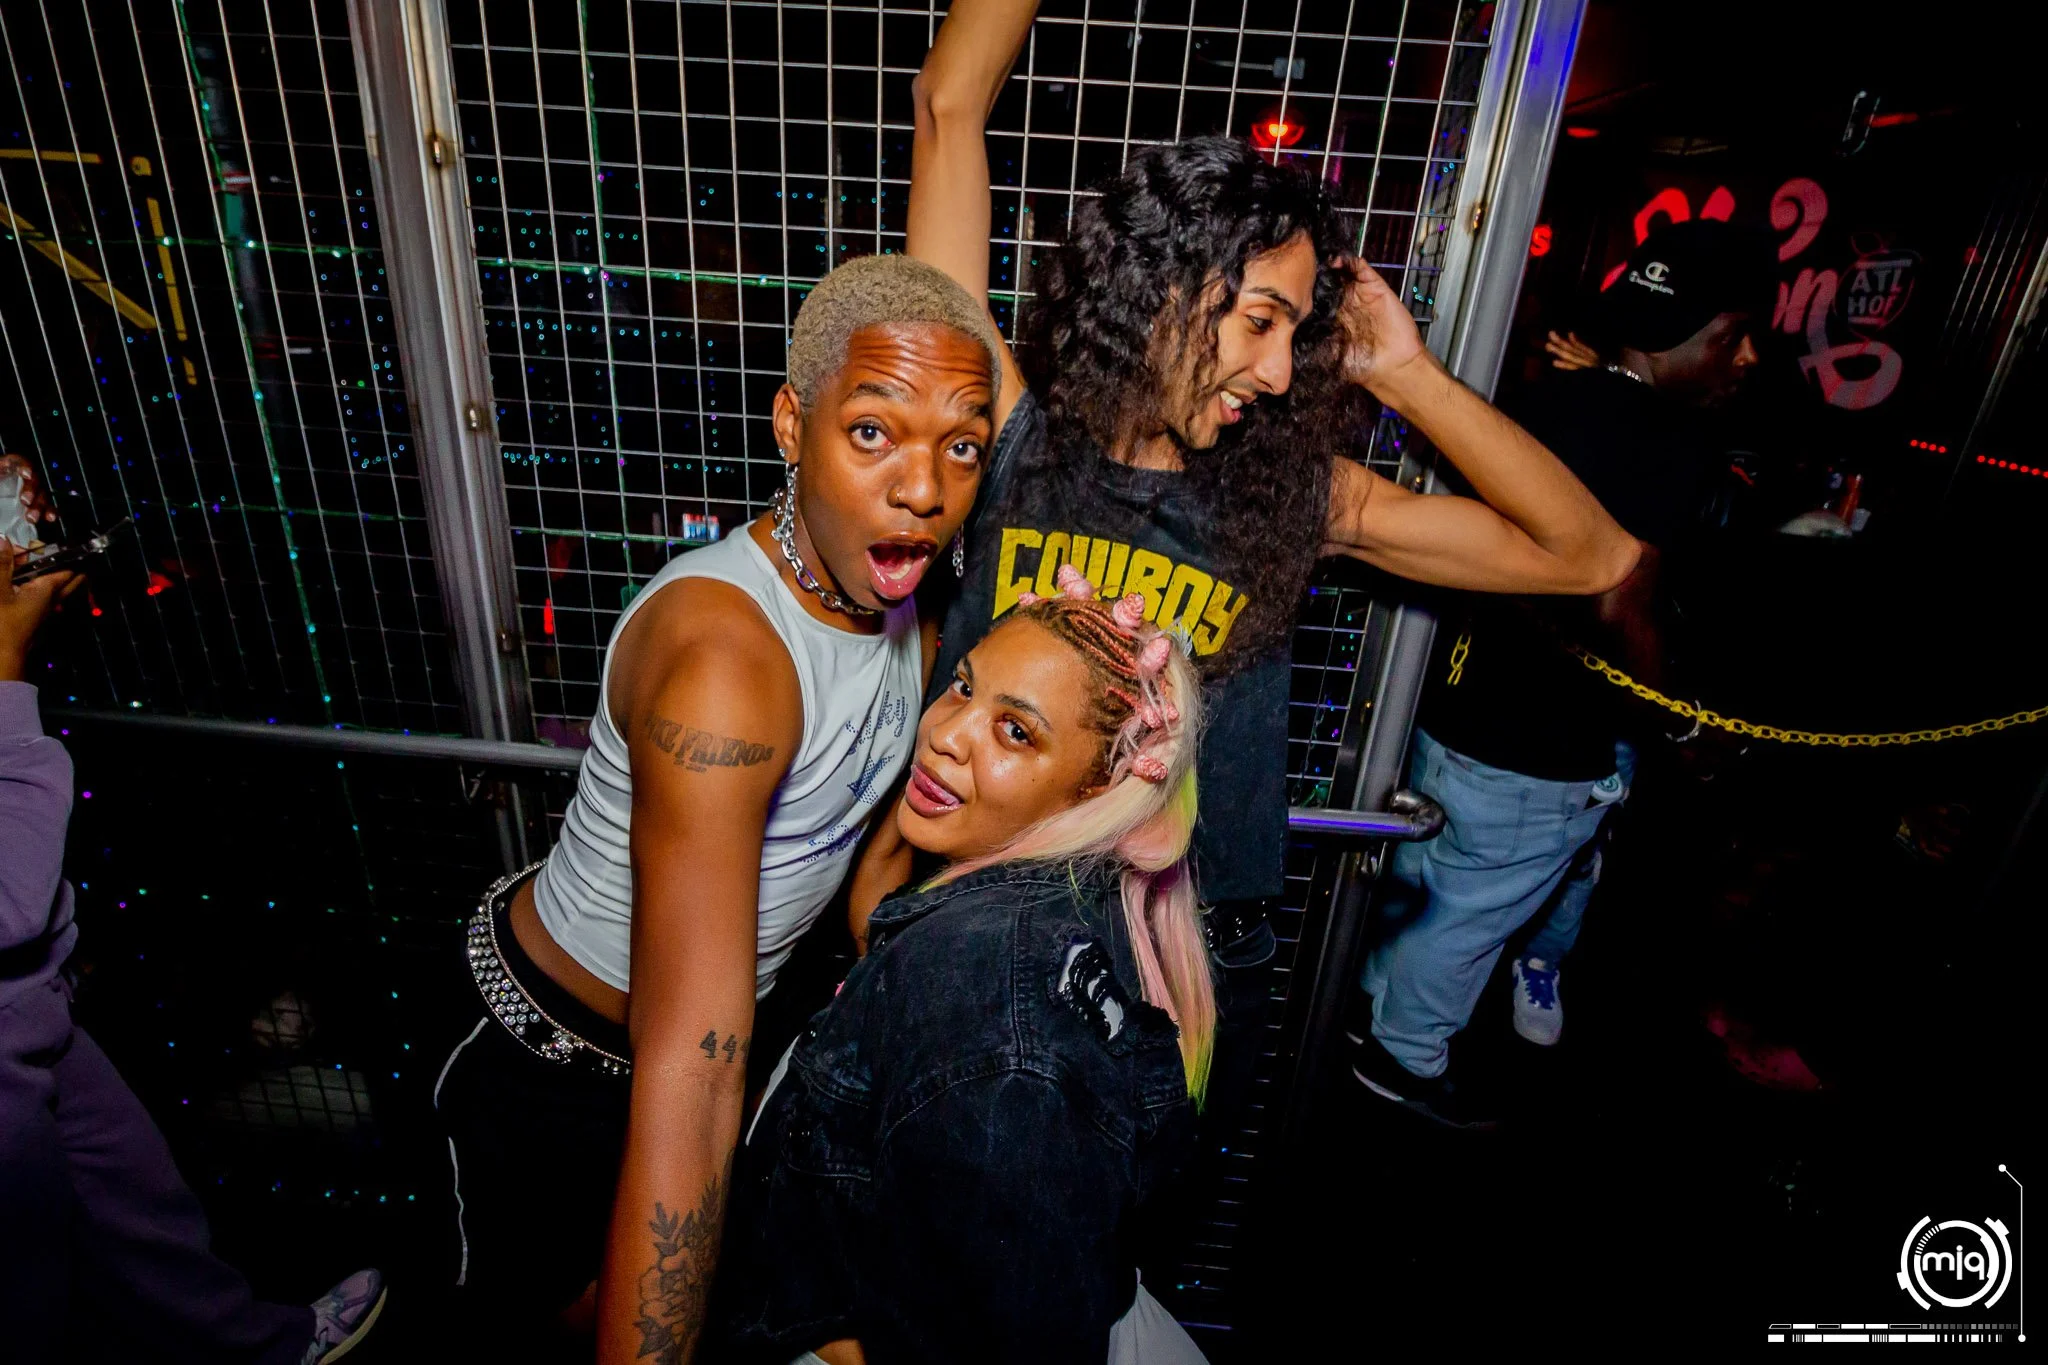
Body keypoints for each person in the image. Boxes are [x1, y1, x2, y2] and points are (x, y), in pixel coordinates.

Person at [874, 0, 1642, 1163]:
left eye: (1296, 334)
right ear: (1160, 289)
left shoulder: (1289, 499)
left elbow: (1586, 557)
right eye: (1258, 321)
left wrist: (1407, 376)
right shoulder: (1011, 435)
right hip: (979, 912)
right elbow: (947, 106)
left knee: (1127, 1220)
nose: (1281, 374)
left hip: (1179, 955)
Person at [430, 255, 1001, 1363]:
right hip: (549, 1065)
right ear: (792, 426)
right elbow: (690, 1069)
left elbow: (862, 835)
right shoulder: (726, 664)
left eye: (962, 446)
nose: (924, 489)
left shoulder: (906, 603)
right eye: (872, 433)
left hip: (726, 1033)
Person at [717, 568, 1212, 1365]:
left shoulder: (996, 1014)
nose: (947, 732)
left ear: (1093, 789)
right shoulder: (1067, 903)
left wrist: (827, 1333)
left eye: (1015, 731)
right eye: (963, 686)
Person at [1351, 220, 1769, 1126]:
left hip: (1454, 703)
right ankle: (1401, 1060)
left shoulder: (1546, 401)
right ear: (1678, 332)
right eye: (1733, 335)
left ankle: (1372, 1010)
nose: (1747, 359)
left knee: (1426, 883)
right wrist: (1682, 724)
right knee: (1471, 916)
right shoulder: (1672, 445)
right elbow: (1623, 601)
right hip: (1542, 745)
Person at [0, 461, 385, 1365]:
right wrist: (6, 671)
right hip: (24, 994)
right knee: (28, 1291)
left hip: (36, 995)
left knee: (135, 1199)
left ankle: (250, 1345)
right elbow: (10, 902)